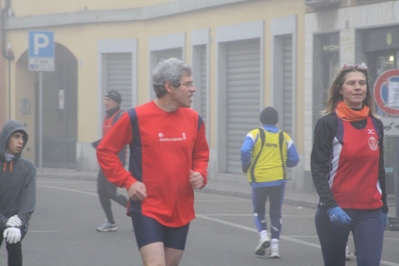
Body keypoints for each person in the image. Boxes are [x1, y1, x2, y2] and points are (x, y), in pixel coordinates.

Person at [96, 58, 209, 266]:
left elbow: (201, 155)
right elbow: (105, 150)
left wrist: (201, 174)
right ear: (169, 87)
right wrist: (128, 182)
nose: (193, 89)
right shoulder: (135, 117)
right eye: (187, 84)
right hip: (148, 207)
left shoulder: (195, 119)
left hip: (181, 208)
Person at [311, 63, 388, 266]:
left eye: (362, 83)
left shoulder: (376, 124)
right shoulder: (328, 124)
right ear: (340, 89)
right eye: (351, 83)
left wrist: (385, 208)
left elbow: (379, 169)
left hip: (370, 211)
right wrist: (331, 206)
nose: (357, 87)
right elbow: (317, 169)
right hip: (335, 210)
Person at [240, 106, 299, 258]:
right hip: (278, 180)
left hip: (259, 179)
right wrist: (284, 162)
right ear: (276, 120)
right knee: (276, 213)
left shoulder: (254, 134)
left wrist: (246, 164)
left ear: (261, 120)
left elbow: (245, 151)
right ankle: (275, 248)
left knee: (258, 210)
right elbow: (295, 159)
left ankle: (263, 235)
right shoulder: (284, 137)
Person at [0, 120, 36, 266]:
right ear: (6, 138)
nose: (20, 141)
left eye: (23, 138)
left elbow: (29, 199)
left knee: (14, 247)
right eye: (16, 136)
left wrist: (19, 220)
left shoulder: (27, 167)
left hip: (16, 221)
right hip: (1, 218)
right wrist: (3, 221)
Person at [93, 90, 129, 232]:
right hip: (105, 161)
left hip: (116, 161)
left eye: (108, 100)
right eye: (105, 99)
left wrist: (101, 143)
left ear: (116, 102)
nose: (105, 102)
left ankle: (139, 214)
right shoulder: (107, 116)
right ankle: (110, 222)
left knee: (110, 192)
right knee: (101, 191)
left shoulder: (121, 116)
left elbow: (120, 138)